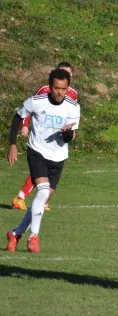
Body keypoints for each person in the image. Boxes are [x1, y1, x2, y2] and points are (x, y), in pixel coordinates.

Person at [6, 68, 81, 253]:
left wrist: (68, 133)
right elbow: (18, 117)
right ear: (50, 87)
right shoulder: (36, 102)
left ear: (67, 88)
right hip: (37, 151)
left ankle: (16, 233)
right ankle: (34, 237)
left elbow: (70, 138)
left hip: (59, 156)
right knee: (42, 190)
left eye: (63, 89)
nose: (59, 92)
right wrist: (13, 144)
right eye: (56, 88)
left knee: (43, 198)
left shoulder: (73, 107)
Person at [11, 62, 78, 212]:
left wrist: (70, 132)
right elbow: (29, 108)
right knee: (40, 172)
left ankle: (38, 203)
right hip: (40, 142)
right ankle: (23, 199)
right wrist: (25, 124)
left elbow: (71, 116)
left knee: (45, 176)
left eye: (69, 73)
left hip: (58, 145)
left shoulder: (73, 94)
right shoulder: (44, 91)